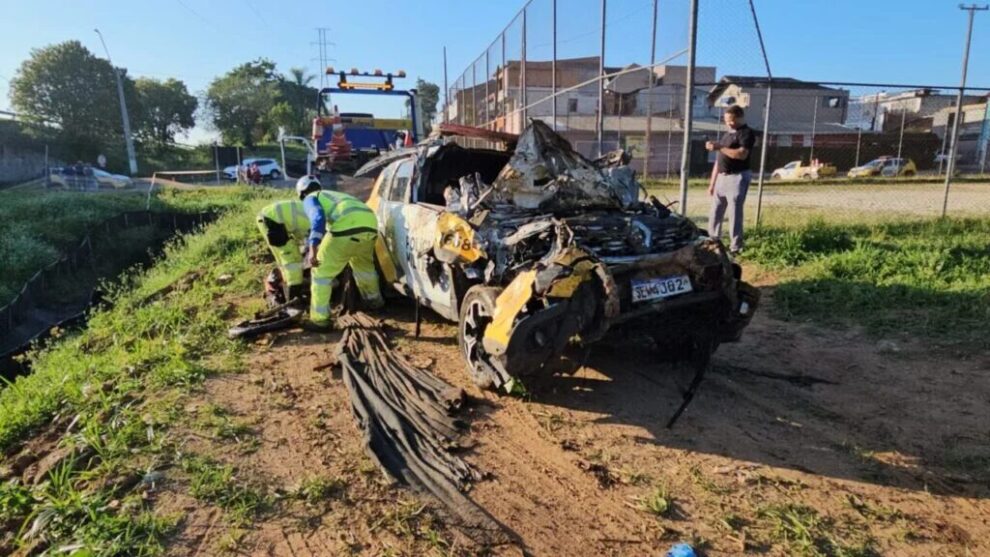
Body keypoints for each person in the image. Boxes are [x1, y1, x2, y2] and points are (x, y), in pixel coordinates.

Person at [297, 175, 383, 330]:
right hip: (370, 226)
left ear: (301, 193)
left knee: (321, 273)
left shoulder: (310, 198)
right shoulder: (337, 195)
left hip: (346, 228)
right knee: (364, 269)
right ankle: (374, 302)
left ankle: (319, 320)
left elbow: (318, 219)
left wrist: (313, 249)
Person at [706, 105, 755, 255]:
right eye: (726, 120)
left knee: (734, 213)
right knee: (715, 213)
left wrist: (719, 146)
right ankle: (713, 243)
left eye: (732, 120)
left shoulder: (746, 133)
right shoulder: (727, 135)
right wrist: (712, 183)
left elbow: (741, 154)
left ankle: (736, 247)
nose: (729, 123)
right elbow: (718, 161)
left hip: (737, 177)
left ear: (740, 117)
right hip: (722, 177)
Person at [256, 200, 311, 303]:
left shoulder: (314, 213)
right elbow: (311, 244)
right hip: (272, 221)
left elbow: (304, 239)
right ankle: (293, 299)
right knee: (291, 258)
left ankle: (287, 288)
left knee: (285, 257)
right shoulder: (322, 223)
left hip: (269, 218)